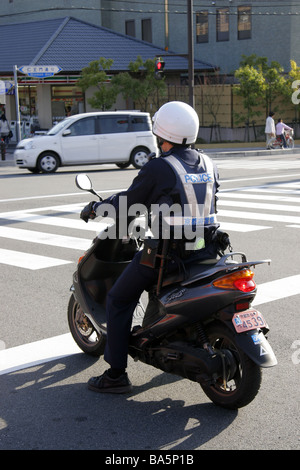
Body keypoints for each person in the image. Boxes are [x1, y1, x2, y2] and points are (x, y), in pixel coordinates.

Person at [80, 101, 220, 394]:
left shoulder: (159, 167)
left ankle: (116, 374)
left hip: (167, 256)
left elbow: (128, 202)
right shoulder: (209, 163)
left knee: (118, 299)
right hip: (207, 252)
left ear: (161, 133)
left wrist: (95, 207)